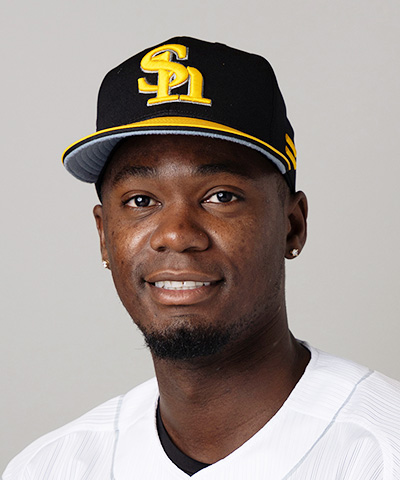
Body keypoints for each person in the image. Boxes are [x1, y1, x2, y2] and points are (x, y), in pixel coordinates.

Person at [3, 36, 400, 480]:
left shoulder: (384, 453)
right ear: (103, 236)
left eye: (221, 196)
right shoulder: (49, 468)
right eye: (140, 201)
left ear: (292, 225)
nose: (176, 234)